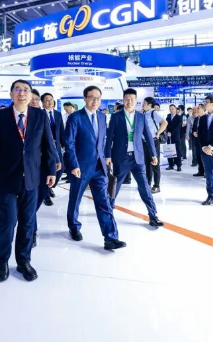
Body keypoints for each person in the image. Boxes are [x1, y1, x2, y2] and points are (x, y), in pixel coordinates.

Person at [0, 80, 57, 282]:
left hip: (31, 179)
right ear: (11, 94)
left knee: (27, 222)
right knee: (8, 222)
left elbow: (48, 144)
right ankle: (2, 260)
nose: (21, 93)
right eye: (17, 90)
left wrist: (51, 169)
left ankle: (24, 261)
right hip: (6, 179)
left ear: (31, 95)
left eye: (25, 90)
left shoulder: (40, 115)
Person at [64, 85, 125, 250]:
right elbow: (69, 143)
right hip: (81, 167)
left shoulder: (102, 116)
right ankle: (74, 227)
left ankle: (111, 237)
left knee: (104, 201)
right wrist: (74, 164)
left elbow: (103, 141)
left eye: (98, 98)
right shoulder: (75, 117)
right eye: (91, 97)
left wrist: (107, 157)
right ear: (85, 98)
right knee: (75, 198)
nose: (95, 100)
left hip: (100, 167)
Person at [104, 88, 163, 227]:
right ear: (123, 100)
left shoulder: (141, 117)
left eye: (132, 99)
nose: (129, 101)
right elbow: (109, 137)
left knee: (145, 187)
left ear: (136, 101)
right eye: (127, 99)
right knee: (115, 186)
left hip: (138, 158)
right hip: (121, 158)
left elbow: (148, 136)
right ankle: (108, 211)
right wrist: (107, 155)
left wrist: (153, 154)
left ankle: (153, 215)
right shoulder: (116, 116)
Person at [39, 93, 63, 209]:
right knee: (47, 170)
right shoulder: (40, 114)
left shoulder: (58, 114)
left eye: (51, 100)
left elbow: (61, 130)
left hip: (56, 146)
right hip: (45, 147)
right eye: (47, 100)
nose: (50, 102)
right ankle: (46, 195)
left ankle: (49, 187)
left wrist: (64, 144)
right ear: (43, 103)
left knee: (59, 169)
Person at [142, 97, 166, 193]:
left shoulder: (154, 113)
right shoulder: (144, 114)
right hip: (144, 142)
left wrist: (158, 133)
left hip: (153, 141)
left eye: (144, 103)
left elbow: (164, 122)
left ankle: (156, 185)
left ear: (150, 105)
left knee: (155, 163)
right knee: (147, 164)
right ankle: (148, 183)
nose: (142, 105)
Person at [165, 104, 183, 171]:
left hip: (176, 136)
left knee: (177, 151)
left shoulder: (179, 117)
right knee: (169, 151)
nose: (171, 110)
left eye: (172, 109)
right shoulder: (168, 117)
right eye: (170, 109)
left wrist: (171, 133)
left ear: (176, 109)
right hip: (169, 136)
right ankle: (170, 165)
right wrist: (167, 132)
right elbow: (165, 125)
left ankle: (178, 165)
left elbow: (178, 127)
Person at [192, 104, 206, 177]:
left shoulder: (206, 118)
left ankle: (207, 172)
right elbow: (193, 128)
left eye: (198, 108)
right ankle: (201, 171)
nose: (196, 110)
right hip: (197, 140)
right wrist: (194, 133)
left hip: (204, 141)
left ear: (203, 109)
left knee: (205, 157)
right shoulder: (196, 119)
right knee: (198, 156)